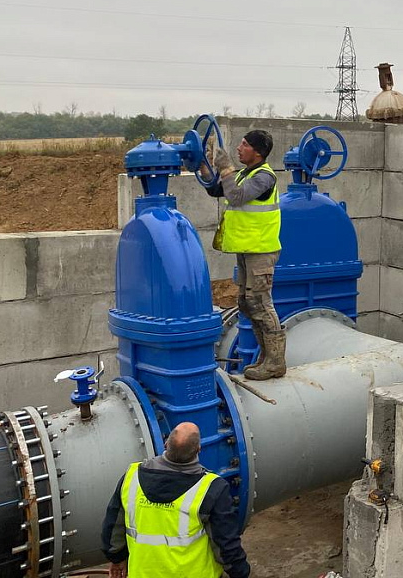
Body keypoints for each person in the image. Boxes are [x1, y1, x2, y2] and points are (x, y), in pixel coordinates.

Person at [101, 422, 250, 578]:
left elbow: (113, 527)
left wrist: (116, 559)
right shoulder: (210, 489)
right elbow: (225, 543)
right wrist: (240, 572)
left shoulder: (132, 477)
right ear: (199, 450)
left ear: (166, 444)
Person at [203, 129, 285, 380]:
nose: (239, 148)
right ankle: (266, 358)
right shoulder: (244, 174)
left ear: (258, 152)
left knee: (260, 304)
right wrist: (203, 165)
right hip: (248, 250)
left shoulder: (264, 177)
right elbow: (216, 190)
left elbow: (236, 197)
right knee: (247, 303)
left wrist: (226, 167)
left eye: (245, 144)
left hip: (261, 251)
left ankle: (276, 362)